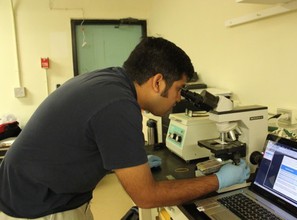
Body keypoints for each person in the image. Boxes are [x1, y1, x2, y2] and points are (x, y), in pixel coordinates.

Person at [0, 37, 250, 220]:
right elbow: (146, 196)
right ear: (158, 81)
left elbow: (86, 139)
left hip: (36, 192)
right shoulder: (117, 105)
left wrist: (130, 161)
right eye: (178, 89)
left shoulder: (110, 80)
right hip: (38, 207)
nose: (178, 99)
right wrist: (218, 180)